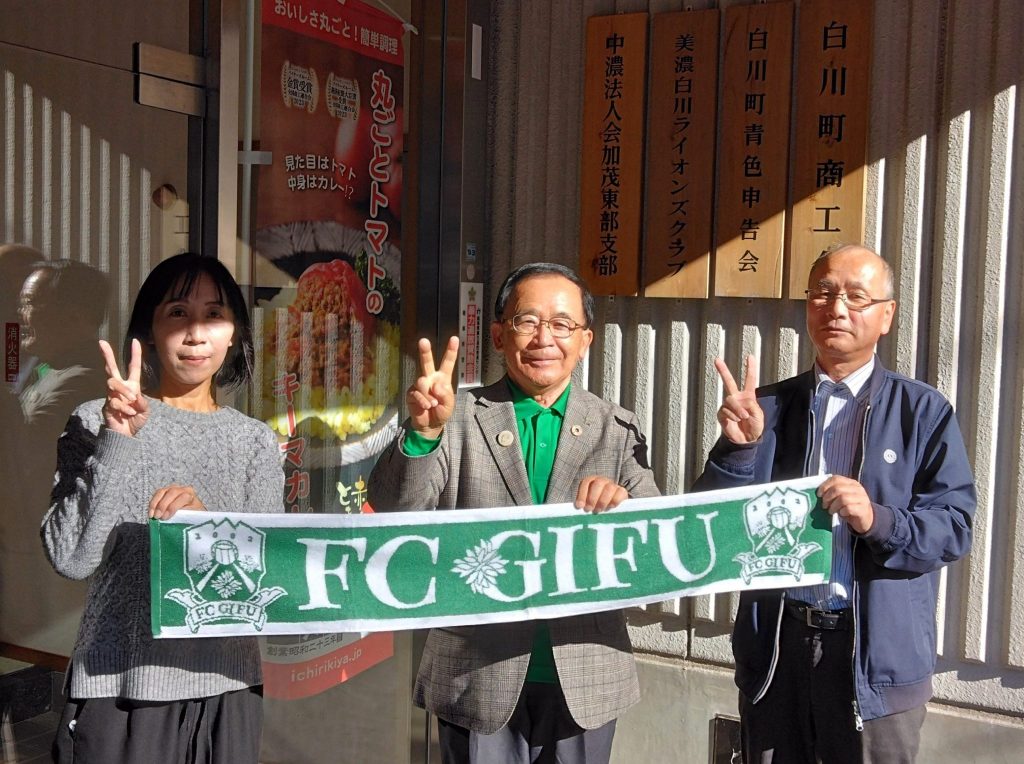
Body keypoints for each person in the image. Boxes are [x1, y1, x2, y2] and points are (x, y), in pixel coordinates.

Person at [693, 244, 976, 763]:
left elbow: (953, 528)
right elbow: (707, 529)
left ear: (886, 315)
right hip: (777, 649)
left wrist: (878, 520)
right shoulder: (767, 409)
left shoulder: (922, 410)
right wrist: (739, 450)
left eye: (856, 296)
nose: (836, 308)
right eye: (822, 293)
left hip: (874, 661)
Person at [368, 262, 660, 764]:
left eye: (562, 324)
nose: (544, 338)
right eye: (528, 321)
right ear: (500, 335)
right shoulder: (455, 417)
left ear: (585, 341)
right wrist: (423, 435)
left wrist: (624, 508)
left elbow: (656, 543)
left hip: (585, 676)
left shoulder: (616, 428)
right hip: (474, 674)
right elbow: (396, 511)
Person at [41, 253, 285, 763]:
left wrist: (205, 528)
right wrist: (117, 440)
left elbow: (268, 580)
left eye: (213, 315)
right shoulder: (95, 421)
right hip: (119, 688)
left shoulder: (255, 443)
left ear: (235, 332)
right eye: (177, 313)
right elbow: (71, 559)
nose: (195, 334)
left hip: (227, 688)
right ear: (148, 332)